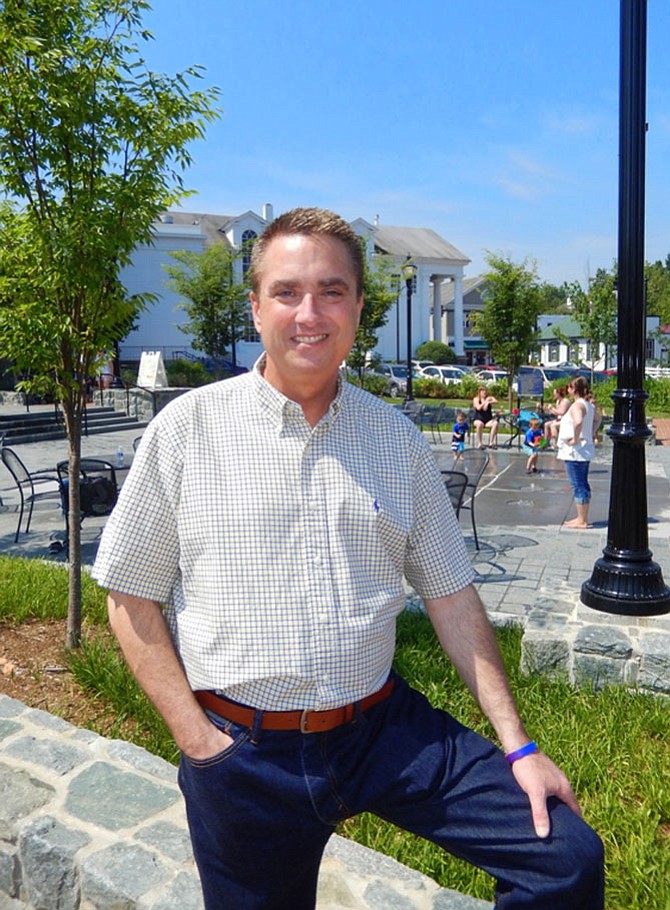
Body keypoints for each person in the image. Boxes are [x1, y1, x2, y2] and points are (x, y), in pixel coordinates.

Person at [92, 208, 603, 910]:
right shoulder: (186, 430)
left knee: (567, 858)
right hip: (243, 753)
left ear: (359, 308)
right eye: (286, 292)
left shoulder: (395, 441)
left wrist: (518, 747)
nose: (310, 313)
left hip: (381, 730)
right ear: (255, 306)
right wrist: (197, 742)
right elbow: (129, 595)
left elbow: (453, 594)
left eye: (332, 291)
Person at [556, 376, 601, 529]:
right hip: (584, 450)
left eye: (569, 387)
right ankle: (581, 517)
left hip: (575, 451)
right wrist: (591, 432)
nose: (567, 390)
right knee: (582, 483)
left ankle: (582, 520)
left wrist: (575, 439)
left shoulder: (577, 406)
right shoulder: (588, 404)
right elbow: (598, 419)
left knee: (578, 484)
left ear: (574, 389)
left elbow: (578, 421)